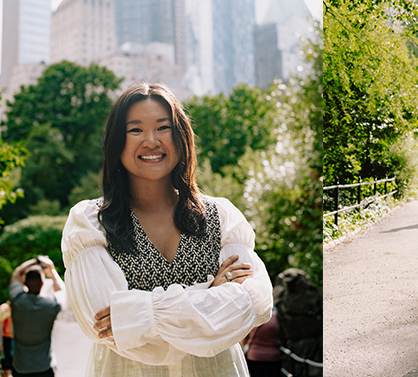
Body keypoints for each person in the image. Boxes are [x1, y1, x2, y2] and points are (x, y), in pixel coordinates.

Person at [61, 83, 273, 376]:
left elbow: (254, 304)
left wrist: (138, 315)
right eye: (135, 130)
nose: (151, 140)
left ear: (181, 137)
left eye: (163, 128)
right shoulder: (90, 222)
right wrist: (210, 293)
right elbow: (106, 329)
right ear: (116, 142)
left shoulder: (221, 215)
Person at [8, 256, 63, 377]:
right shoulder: (51, 304)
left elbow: (17, 273)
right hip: (44, 367)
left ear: (24, 283)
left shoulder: (16, 300)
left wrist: (36, 260)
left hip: (21, 368)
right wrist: (52, 271)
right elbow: (62, 291)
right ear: (42, 284)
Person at [242, 307, 282, 377]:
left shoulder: (252, 319)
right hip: (273, 356)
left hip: (254, 356)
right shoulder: (276, 317)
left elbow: (243, 340)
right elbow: (282, 336)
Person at [0, 301, 13, 377]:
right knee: (6, 364)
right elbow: (0, 326)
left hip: (14, 338)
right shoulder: (5, 308)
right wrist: (0, 344)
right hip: (6, 338)